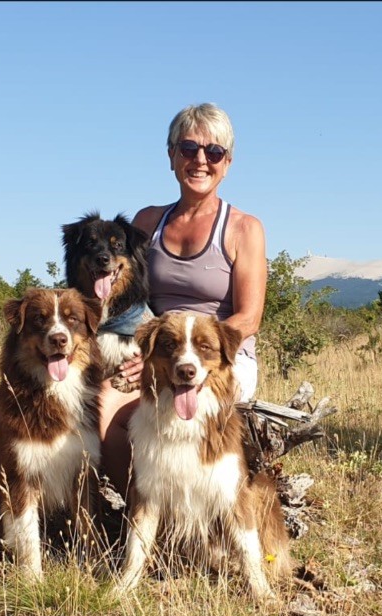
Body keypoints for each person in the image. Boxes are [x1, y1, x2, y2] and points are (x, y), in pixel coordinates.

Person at [99, 102, 268, 492]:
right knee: (103, 410)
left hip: (220, 355)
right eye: (189, 148)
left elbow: (249, 318)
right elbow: (121, 297)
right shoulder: (147, 222)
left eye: (214, 152)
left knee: (188, 411)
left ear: (227, 163)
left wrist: (194, 354)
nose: (200, 161)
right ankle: (144, 511)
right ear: (172, 155)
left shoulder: (244, 228)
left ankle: (200, 516)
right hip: (155, 352)